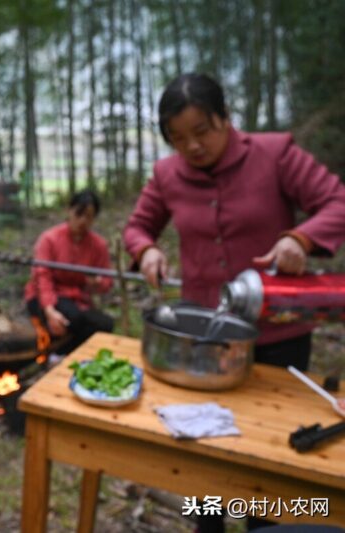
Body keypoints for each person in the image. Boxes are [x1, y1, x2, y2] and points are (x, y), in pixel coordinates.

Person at [123, 73, 345, 532]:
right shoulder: (167, 175)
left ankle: (265, 527)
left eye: (202, 131)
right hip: (202, 345)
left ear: (226, 119)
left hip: (277, 337)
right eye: (178, 138)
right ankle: (209, 525)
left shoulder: (273, 155)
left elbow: (337, 202)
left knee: (266, 457)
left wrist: (300, 239)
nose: (193, 147)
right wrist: (145, 249)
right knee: (203, 458)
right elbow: (138, 227)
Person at [24, 189, 115, 356]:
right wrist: (50, 310)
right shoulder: (49, 239)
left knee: (105, 324)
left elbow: (107, 282)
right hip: (44, 297)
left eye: (88, 216)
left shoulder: (98, 245)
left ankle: (75, 355)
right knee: (73, 317)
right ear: (69, 211)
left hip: (76, 299)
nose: (82, 221)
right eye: (78, 214)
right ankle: (57, 354)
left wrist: (96, 283)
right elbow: (42, 277)